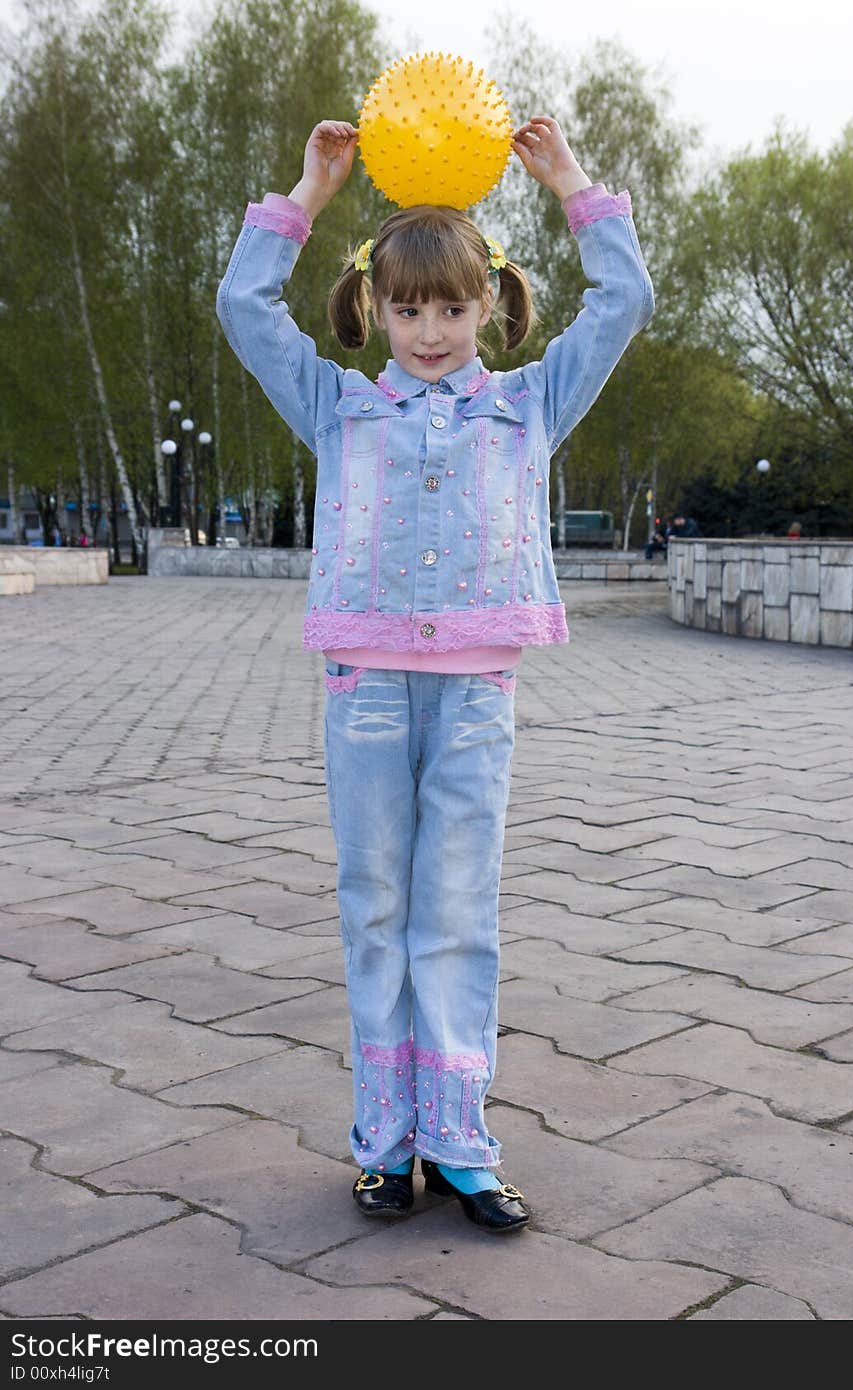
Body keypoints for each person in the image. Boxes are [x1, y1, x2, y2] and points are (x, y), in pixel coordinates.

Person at [217, 115, 653, 1234]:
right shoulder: (340, 406)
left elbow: (623, 306)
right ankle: (382, 1141)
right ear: (374, 306)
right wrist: (306, 197)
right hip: (362, 694)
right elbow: (242, 310)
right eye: (406, 308)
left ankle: (458, 1139)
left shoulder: (527, 406)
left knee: (455, 911)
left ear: (487, 306)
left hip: (475, 696)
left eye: (450, 308)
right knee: (375, 908)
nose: (427, 331)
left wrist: (569, 183)